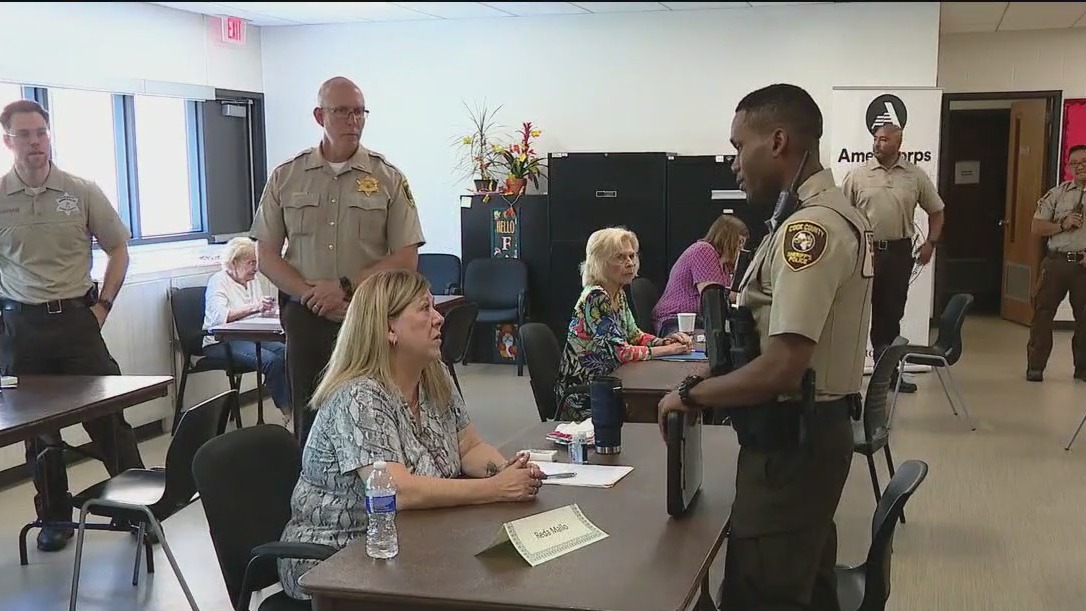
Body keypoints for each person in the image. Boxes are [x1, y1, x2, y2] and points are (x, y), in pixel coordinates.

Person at [658, 84, 872, 611]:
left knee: (760, 593)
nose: (733, 163)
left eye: (738, 146)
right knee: (805, 583)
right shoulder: (809, 214)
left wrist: (690, 393)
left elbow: (781, 368)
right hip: (801, 438)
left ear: (777, 141)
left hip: (791, 445)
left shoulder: (811, 230)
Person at [277, 269, 544, 600]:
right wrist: (494, 489)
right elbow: (396, 491)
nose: (439, 319)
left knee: (505, 577)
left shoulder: (433, 373)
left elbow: (469, 445)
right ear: (389, 328)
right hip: (338, 560)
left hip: (414, 542)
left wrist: (506, 471)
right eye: (424, 309)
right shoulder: (359, 396)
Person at [0, 100, 145, 552]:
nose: (35, 142)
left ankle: (137, 509)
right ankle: (55, 518)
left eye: (40, 132)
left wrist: (102, 306)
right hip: (21, 329)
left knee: (108, 417)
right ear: (8, 141)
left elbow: (118, 249)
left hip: (78, 323)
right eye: (24, 135)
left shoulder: (80, 191)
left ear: (50, 135)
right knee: (39, 432)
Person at [251, 76, 425, 442]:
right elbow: (265, 255)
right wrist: (309, 294)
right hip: (307, 316)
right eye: (343, 111)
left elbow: (406, 257)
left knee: (376, 410)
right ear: (319, 116)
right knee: (310, 414)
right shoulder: (287, 176)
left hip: (368, 315)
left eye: (360, 112)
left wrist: (345, 288)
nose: (353, 120)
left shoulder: (387, 177)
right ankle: (310, 494)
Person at [842, 123, 944, 393]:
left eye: (884, 140)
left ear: (898, 144)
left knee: (890, 316)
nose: (877, 144)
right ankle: (845, 376)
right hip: (864, 252)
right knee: (855, 313)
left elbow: (936, 211)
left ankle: (886, 376)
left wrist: (930, 242)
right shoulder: (858, 175)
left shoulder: (915, 176)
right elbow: (841, 215)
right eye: (875, 139)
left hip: (898, 253)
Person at [555, 227, 693, 421]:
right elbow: (623, 352)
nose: (630, 263)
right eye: (620, 257)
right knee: (658, 404)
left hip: (614, 381)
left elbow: (635, 336)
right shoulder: (595, 297)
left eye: (631, 256)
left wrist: (666, 341)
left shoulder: (617, 293)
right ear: (601, 263)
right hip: (587, 395)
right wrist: (670, 350)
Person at [202, 237, 292, 422]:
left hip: (252, 336)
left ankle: (298, 408)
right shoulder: (218, 282)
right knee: (270, 361)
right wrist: (255, 307)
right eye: (251, 263)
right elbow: (220, 317)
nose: (255, 268)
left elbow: (257, 312)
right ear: (234, 262)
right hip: (222, 341)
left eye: (256, 262)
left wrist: (271, 311)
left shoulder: (252, 280)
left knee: (288, 353)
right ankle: (289, 413)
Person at [1026, 144, 1086, 382]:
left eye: (1085, 161)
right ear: (1069, 167)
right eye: (1075, 163)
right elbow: (1037, 227)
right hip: (1056, 263)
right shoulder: (1057, 194)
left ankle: (1082, 369)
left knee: (1084, 319)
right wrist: (1062, 224)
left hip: (1083, 266)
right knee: (1042, 315)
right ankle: (1036, 366)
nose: (1080, 166)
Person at [652, 214, 750, 335]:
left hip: (697, 322)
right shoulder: (704, 250)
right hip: (675, 321)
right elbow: (712, 300)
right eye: (740, 242)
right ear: (727, 239)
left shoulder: (723, 266)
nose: (741, 248)